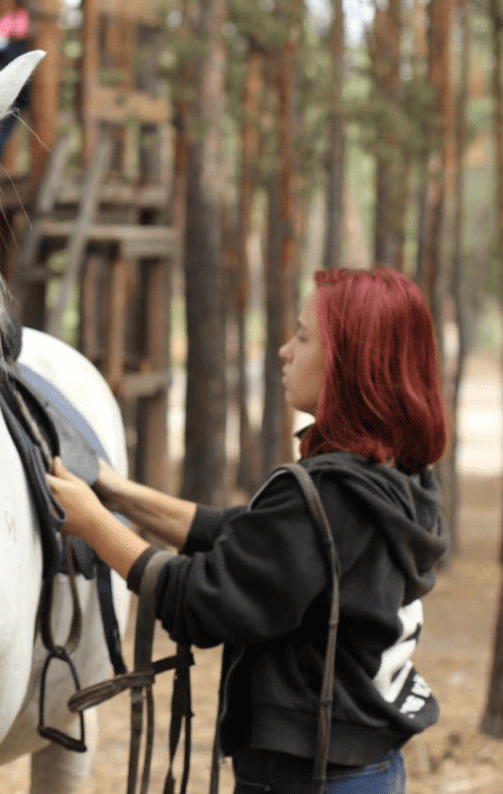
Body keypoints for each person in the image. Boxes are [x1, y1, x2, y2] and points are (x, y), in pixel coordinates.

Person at [48, 267, 449, 794]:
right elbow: (246, 536)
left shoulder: (327, 497)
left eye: (302, 338)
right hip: (370, 773)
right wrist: (119, 492)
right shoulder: (396, 477)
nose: (284, 351)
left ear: (349, 363)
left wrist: (96, 524)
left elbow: (201, 600)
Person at [0, 0, 33, 165]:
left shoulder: (7, 19)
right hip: (19, 76)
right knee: (12, 116)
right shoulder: (25, 19)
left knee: (8, 117)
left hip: (8, 74)